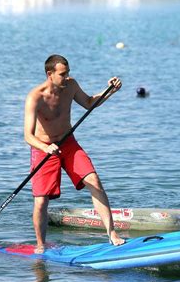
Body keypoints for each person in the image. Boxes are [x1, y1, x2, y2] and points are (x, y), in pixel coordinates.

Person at [24, 54, 125, 253]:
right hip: (44, 147)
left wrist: (109, 91)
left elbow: (89, 103)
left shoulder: (70, 86)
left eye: (68, 72)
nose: (67, 77)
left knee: (94, 181)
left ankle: (112, 233)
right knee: (41, 200)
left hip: (68, 143)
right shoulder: (35, 96)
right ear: (49, 74)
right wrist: (45, 147)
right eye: (63, 74)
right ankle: (40, 245)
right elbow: (27, 135)